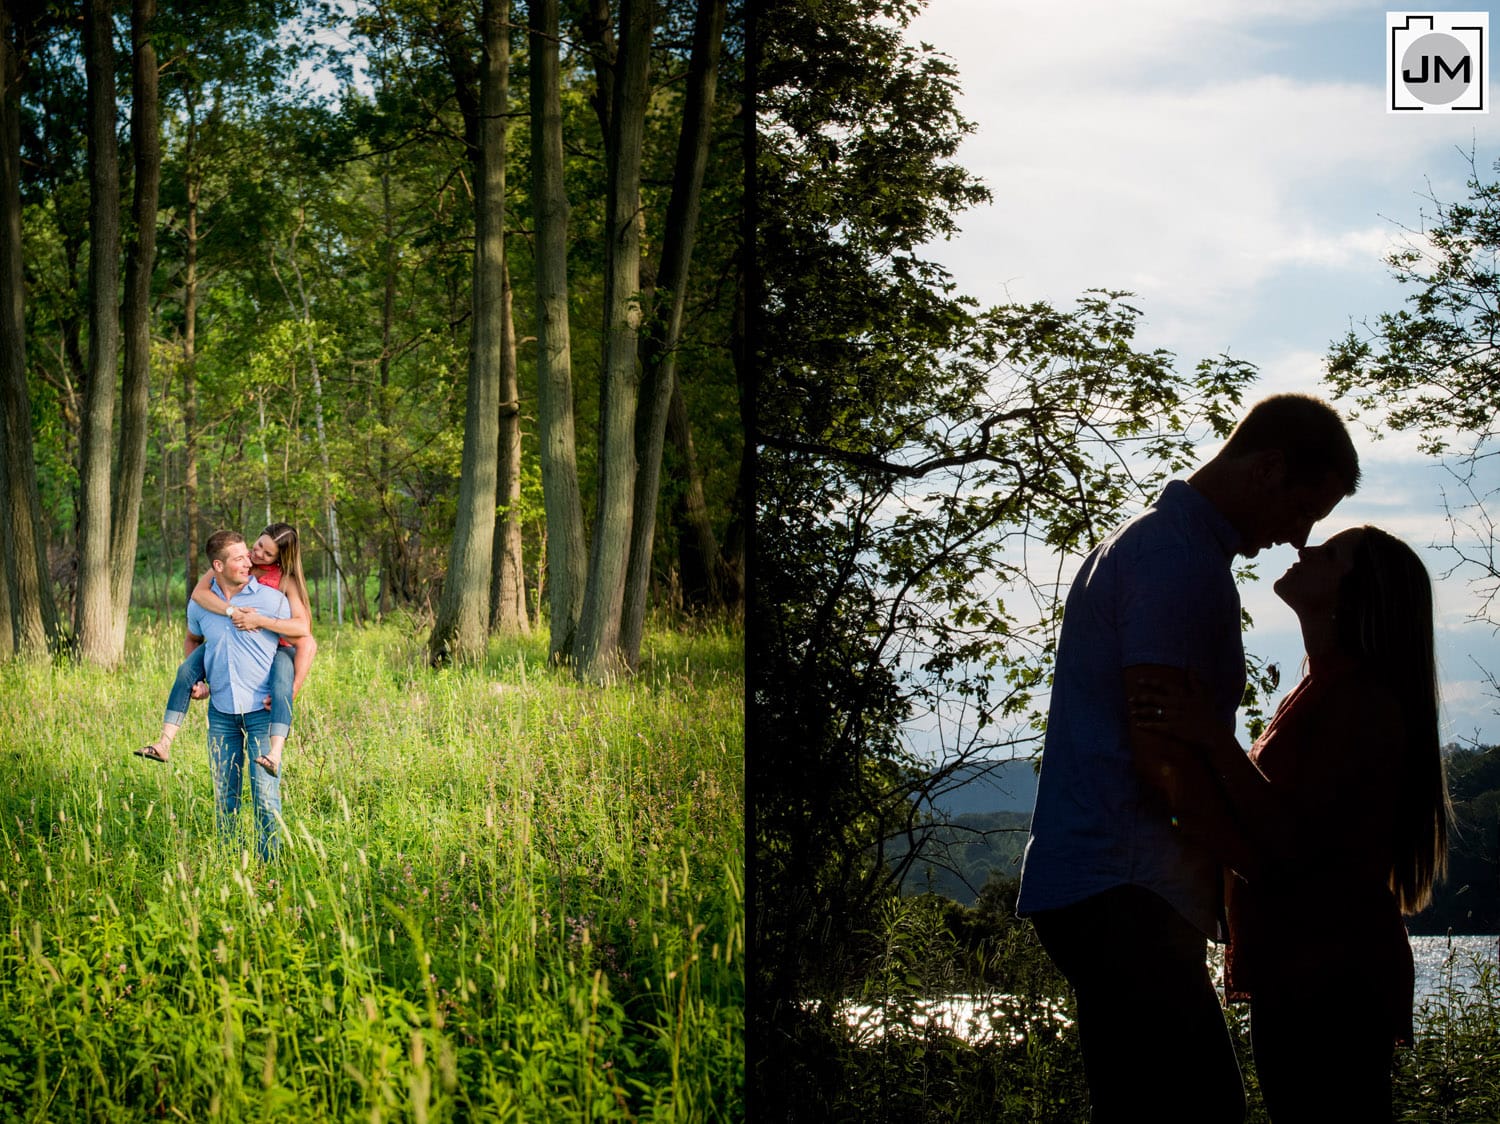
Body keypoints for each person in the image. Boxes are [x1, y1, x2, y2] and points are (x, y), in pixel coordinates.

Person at [1014, 393, 1360, 1122]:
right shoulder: (1175, 563)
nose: (1299, 536)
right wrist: (1269, 871)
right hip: (1125, 887)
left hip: (1109, 886)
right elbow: (1162, 756)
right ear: (1267, 468)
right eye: (1305, 509)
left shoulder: (1156, 545)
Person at [1130, 527, 1451, 1122]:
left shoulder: (1359, 702)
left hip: (1330, 978)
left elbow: (1291, 842)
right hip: (1304, 970)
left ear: (1356, 595)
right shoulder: (1320, 691)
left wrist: (1211, 740)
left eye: (1328, 554)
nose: (1305, 551)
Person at [135, 522, 316, 776]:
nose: (257, 555)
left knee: (282, 685)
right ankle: (164, 742)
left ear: (279, 558)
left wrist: (258, 620)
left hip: (278, 647)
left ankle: (275, 753)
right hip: (229, 660)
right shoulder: (239, 562)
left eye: (267, 554)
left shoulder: (284, 581)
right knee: (187, 670)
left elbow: (305, 632)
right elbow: (199, 594)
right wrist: (232, 611)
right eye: (259, 545)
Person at [163, 530, 292, 860]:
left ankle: (270, 869)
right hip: (221, 714)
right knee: (225, 797)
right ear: (217, 566)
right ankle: (230, 865)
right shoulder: (200, 605)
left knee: (265, 796)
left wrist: (289, 688)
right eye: (240, 557)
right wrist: (198, 681)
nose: (249, 560)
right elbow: (193, 640)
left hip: (261, 712)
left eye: (249, 555)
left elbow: (302, 640)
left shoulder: (272, 600)